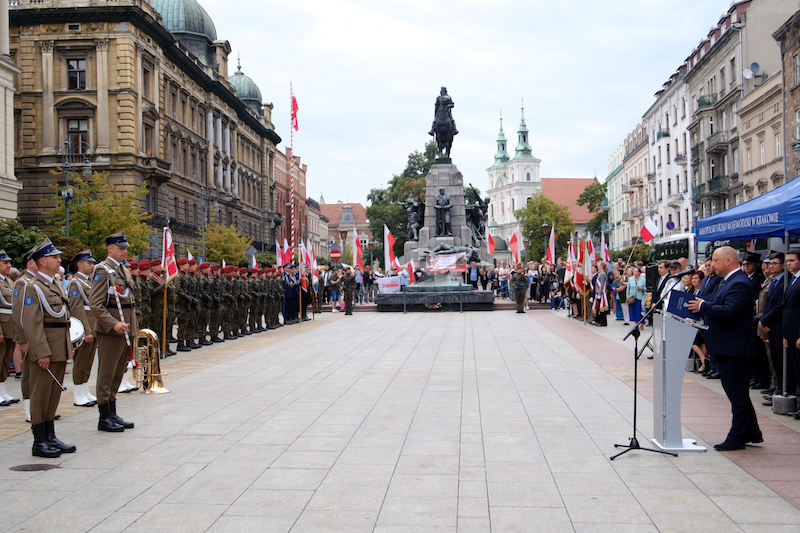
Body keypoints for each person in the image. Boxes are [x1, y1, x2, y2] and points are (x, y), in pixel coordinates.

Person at [687, 246, 762, 450]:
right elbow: (717, 302)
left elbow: (729, 311)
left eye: (716, 260)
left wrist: (703, 306)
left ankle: (737, 436)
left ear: (729, 261)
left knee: (737, 394)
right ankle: (752, 431)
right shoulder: (726, 281)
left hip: (734, 347)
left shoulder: (739, 283)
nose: (712, 264)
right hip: (725, 345)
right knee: (737, 394)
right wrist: (704, 303)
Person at [21, 238, 76, 457]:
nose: (59, 260)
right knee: (40, 395)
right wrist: (41, 352)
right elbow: (32, 324)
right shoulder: (32, 287)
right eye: (55, 257)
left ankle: (50, 435)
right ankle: (39, 441)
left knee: (53, 394)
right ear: (42, 261)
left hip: (59, 347)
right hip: (45, 350)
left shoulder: (53, 284)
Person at [89, 231, 137, 433]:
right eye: (120, 248)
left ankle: (112, 410)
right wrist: (113, 324)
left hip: (127, 327)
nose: (124, 251)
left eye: (125, 248)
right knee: (107, 373)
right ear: (110, 248)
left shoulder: (123, 269)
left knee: (119, 372)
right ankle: (104, 417)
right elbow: (96, 304)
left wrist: (133, 326)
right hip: (112, 330)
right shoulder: (102, 270)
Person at [67, 250, 98, 407]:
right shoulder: (75, 283)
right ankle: (78, 393)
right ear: (79, 264)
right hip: (86, 328)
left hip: (94, 326)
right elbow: (77, 309)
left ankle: (85, 389)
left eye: (92, 263)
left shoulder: (89, 281)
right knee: (81, 361)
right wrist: (86, 331)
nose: (92, 265)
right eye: (89, 263)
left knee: (89, 361)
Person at [759, 253, 787, 401]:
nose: (771, 266)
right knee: (774, 360)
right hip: (770, 325)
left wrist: (765, 320)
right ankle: (777, 388)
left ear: (782, 265)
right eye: (770, 263)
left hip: (777, 326)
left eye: (775, 263)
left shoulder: (784, 282)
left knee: (780, 361)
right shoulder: (774, 281)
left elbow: (779, 305)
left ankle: (782, 389)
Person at [779, 250, 800, 418]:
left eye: (792, 260)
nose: (788, 264)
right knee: (795, 369)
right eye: (787, 261)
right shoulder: (793, 279)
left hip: (797, 334)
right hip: (790, 332)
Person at [0, 250, 18, 407]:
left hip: (10, 326)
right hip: (2, 326)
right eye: (5, 263)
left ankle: (2, 390)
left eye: (9, 262)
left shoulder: (9, 282)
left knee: (5, 360)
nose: (9, 265)